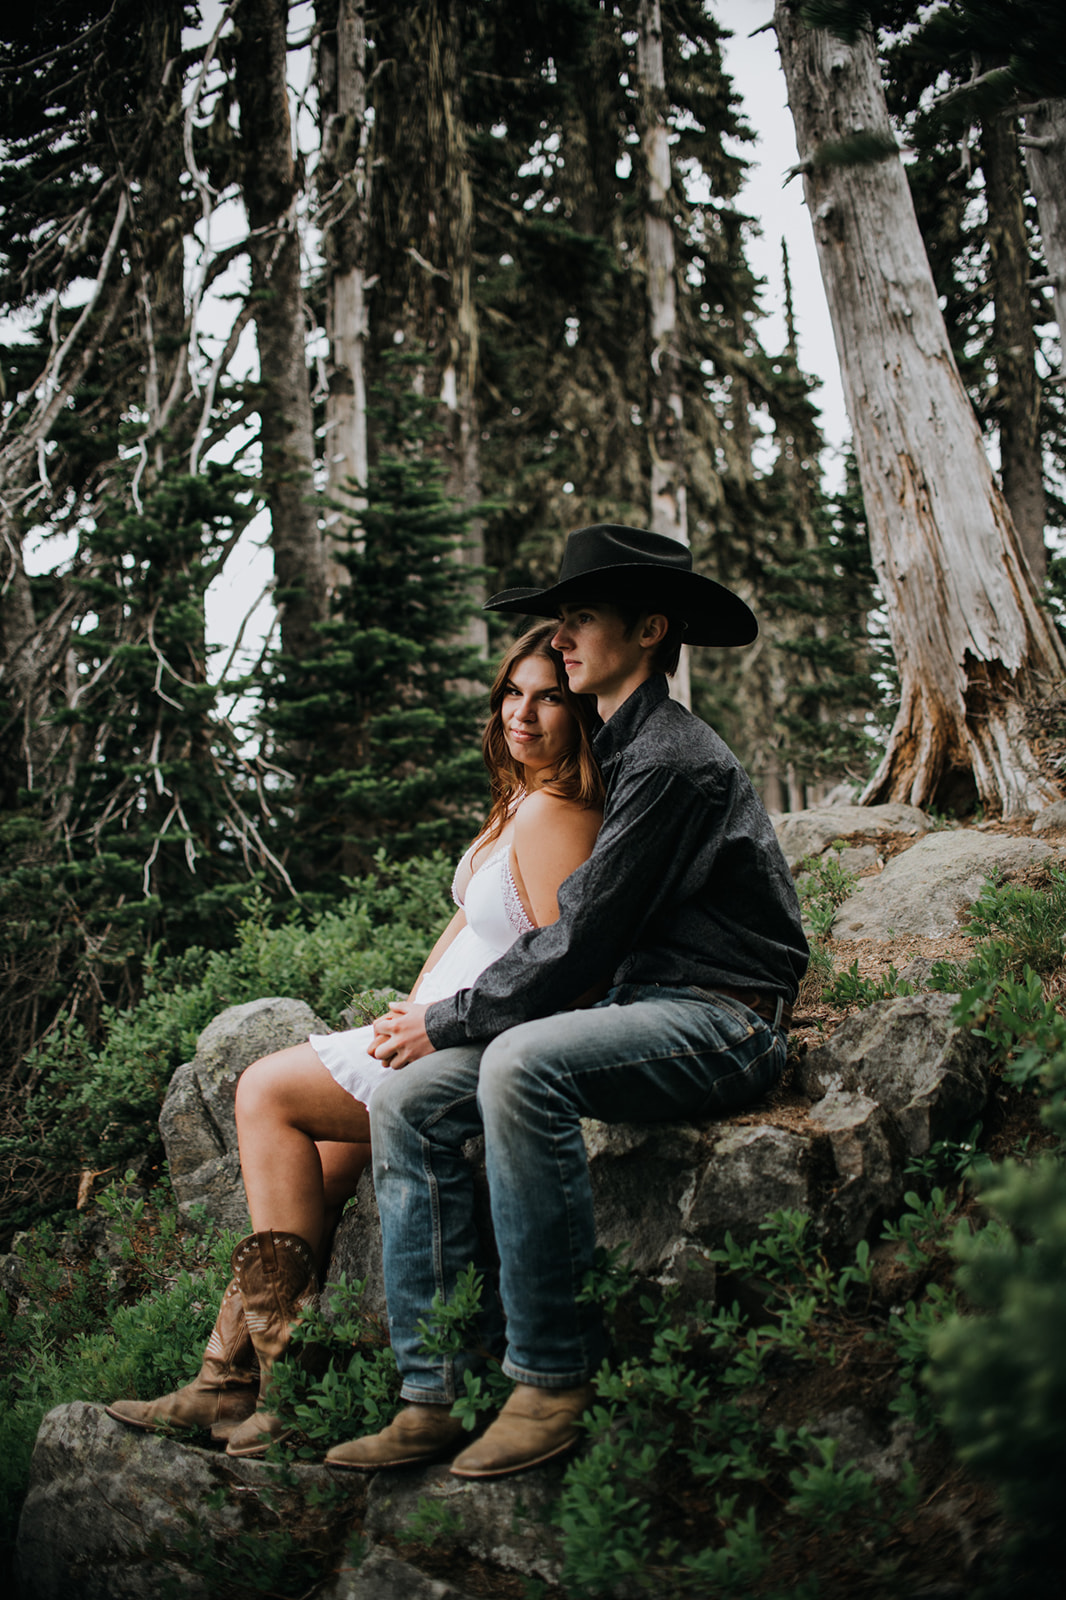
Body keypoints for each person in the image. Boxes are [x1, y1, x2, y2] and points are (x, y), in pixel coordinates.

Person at [325, 523, 809, 1480]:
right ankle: (431, 1394)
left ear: (649, 629)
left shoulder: (673, 759)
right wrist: (436, 1030)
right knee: (413, 1102)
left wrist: (450, 1018)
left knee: (517, 1062)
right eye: (563, 622)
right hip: (646, 1005)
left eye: (582, 620)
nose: (565, 639)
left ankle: (552, 1380)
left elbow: (582, 935)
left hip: (727, 1018)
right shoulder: (619, 749)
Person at [105, 621, 603, 1457]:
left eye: (549, 696)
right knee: (314, 1179)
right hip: (425, 1032)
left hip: (463, 1044)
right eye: (513, 693)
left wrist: (439, 1026)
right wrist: (410, 1008)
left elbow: (563, 966)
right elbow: (474, 929)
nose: (523, 713)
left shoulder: (559, 810)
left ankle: (283, 1391)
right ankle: (222, 1382)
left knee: (262, 1090)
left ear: (581, 709)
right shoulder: (526, 796)